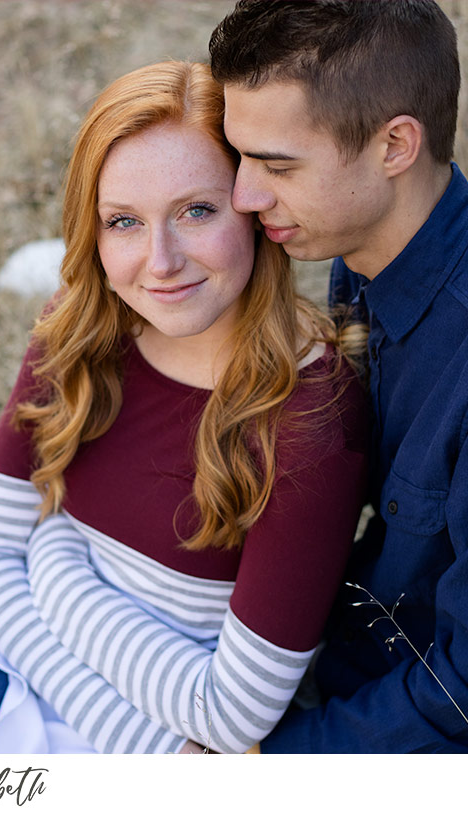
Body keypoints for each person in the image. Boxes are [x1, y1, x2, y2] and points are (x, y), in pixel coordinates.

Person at [0, 59, 369, 754]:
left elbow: (229, 716)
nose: (160, 262)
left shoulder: (311, 416)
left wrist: (53, 561)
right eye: (123, 222)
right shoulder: (79, 327)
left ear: (254, 208)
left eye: (196, 211)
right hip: (42, 672)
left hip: (166, 739)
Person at [209, 0, 468, 753]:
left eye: (278, 165)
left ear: (394, 144)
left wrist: (278, 767)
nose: (245, 197)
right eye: (241, 157)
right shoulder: (360, 256)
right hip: (328, 648)